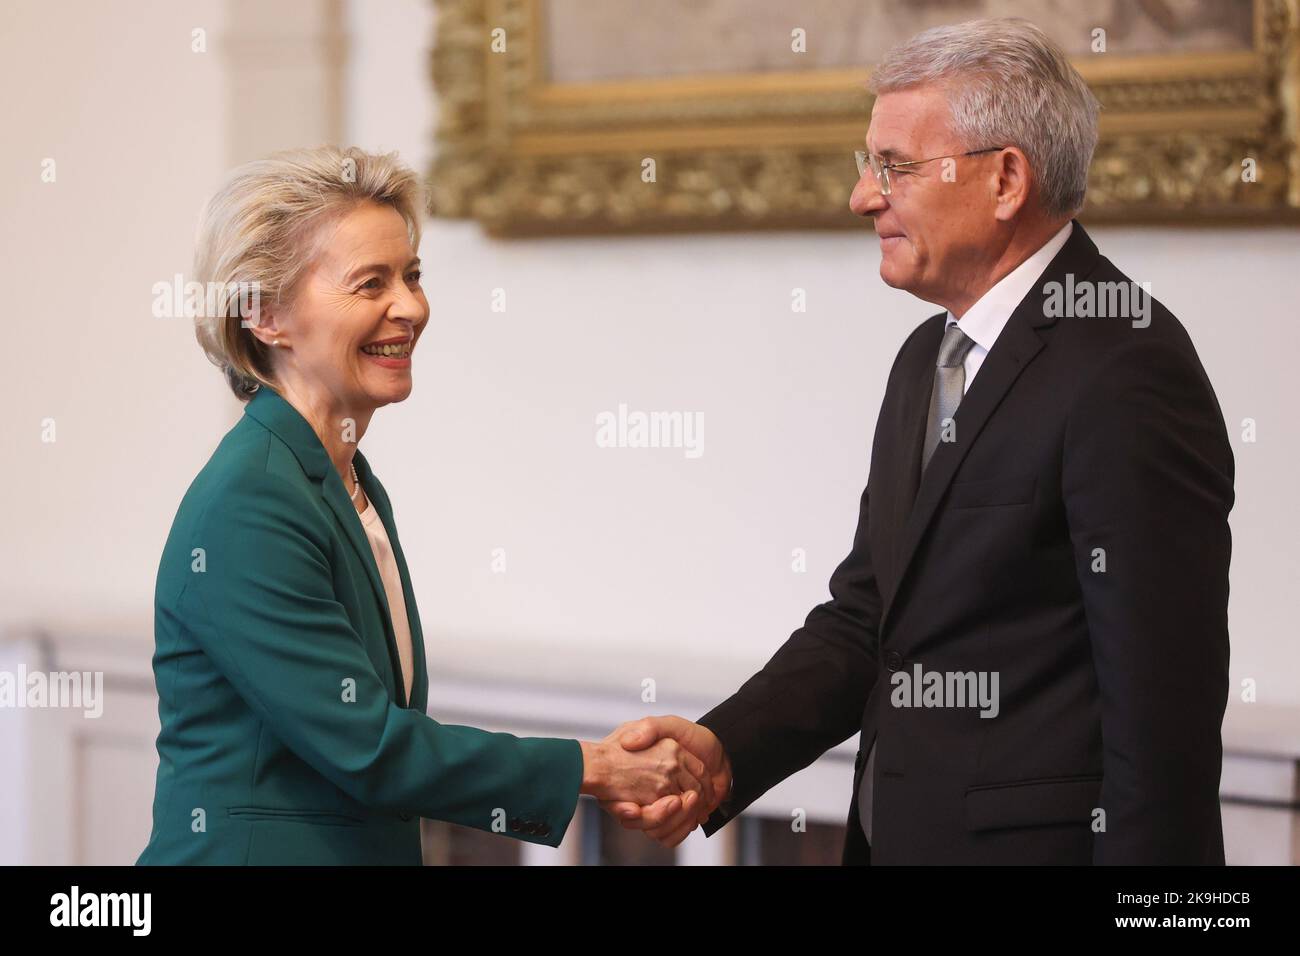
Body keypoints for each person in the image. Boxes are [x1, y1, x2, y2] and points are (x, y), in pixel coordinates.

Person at [610, 17, 1234, 865]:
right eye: (869, 166)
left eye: (894, 167)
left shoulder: (1127, 367)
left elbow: (1165, 716)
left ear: (1006, 178)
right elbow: (872, 616)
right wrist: (726, 750)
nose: (864, 196)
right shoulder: (925, 357)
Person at [137, 145, 711, 865]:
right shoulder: (250, 502)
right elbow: (370, 745)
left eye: (411, 276)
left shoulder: (344, 480)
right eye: (370, 282)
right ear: (266, 315)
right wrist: (593, 767)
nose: (409, 307)